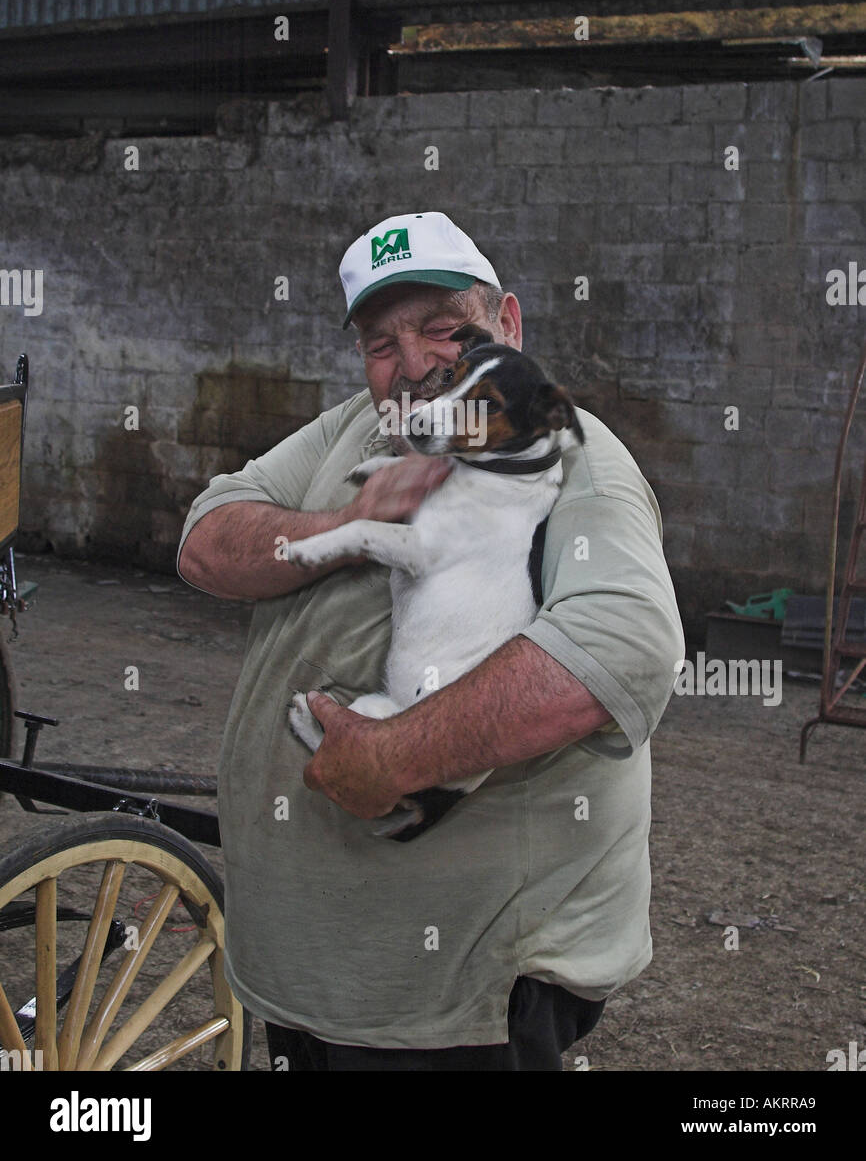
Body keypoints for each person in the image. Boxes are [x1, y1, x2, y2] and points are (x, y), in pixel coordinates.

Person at [177, 210, 685, 1071]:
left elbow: (625, 642)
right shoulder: (356, 432)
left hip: (458, 995)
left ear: (509, 327)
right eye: (382, 344)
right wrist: (347, 514)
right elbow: (204, 539)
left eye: (445, 330)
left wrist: (393, 759)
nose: (413, 365)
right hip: (324, 976)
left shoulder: (564, 448)